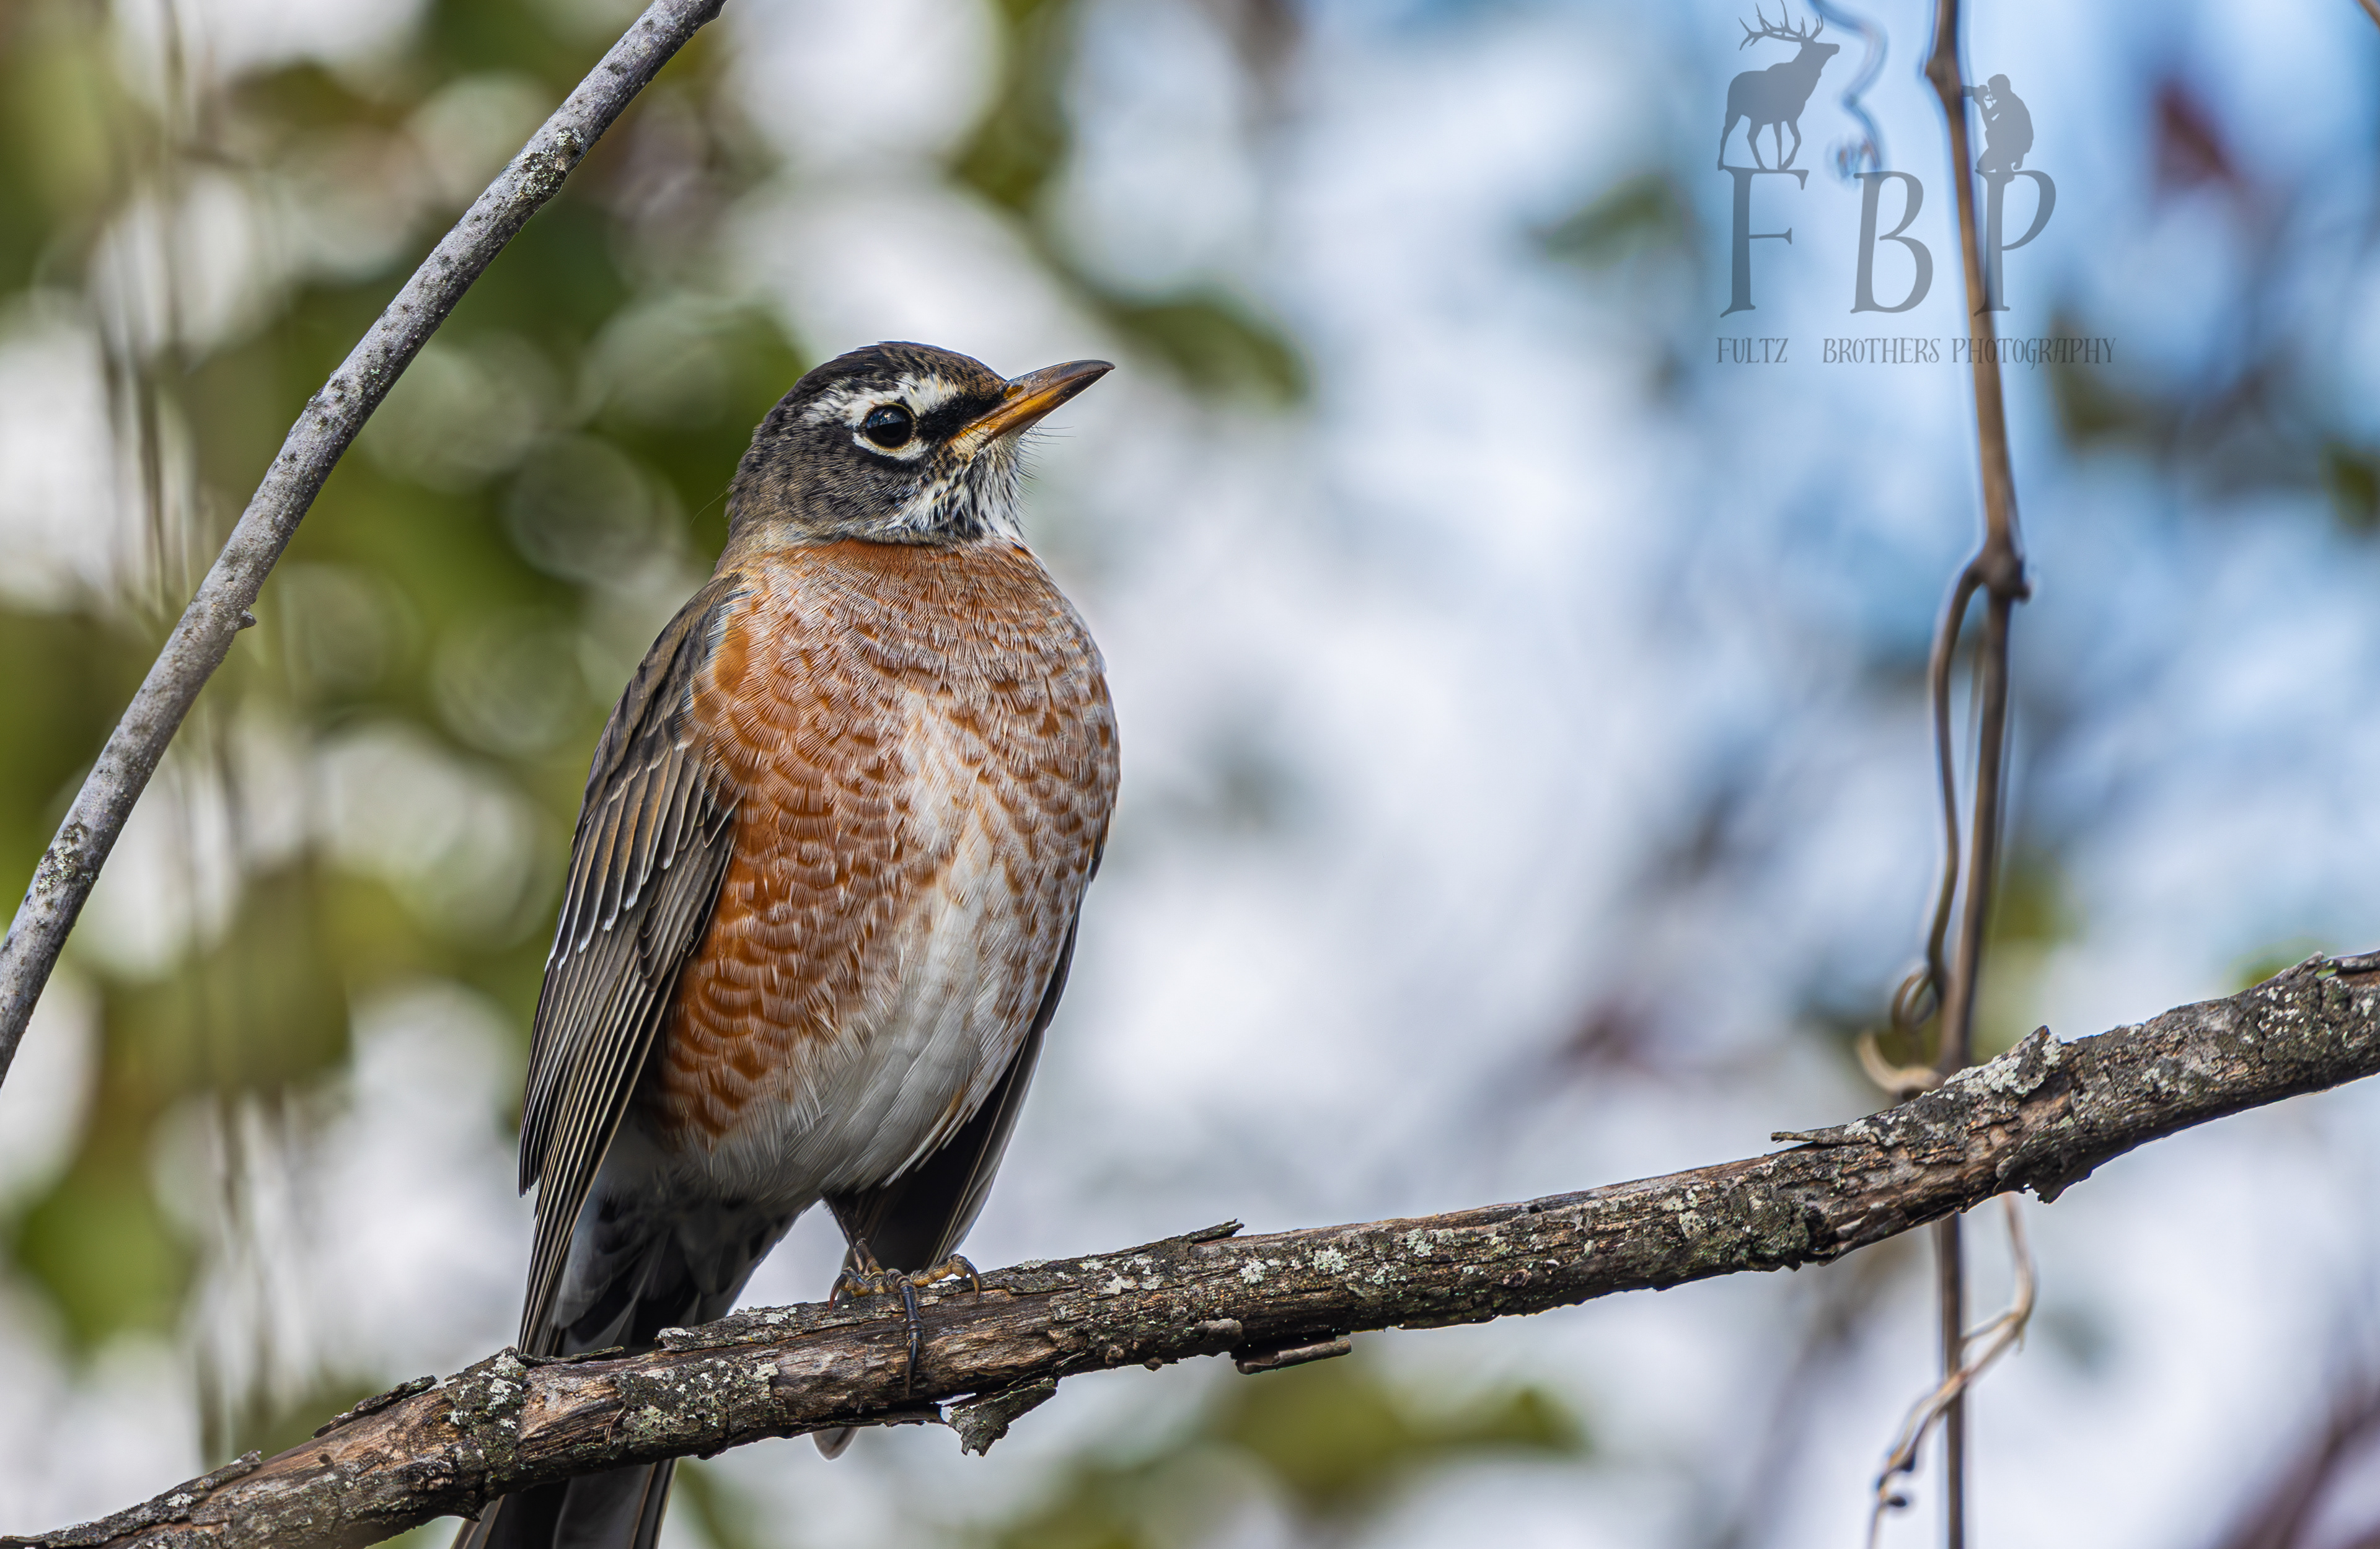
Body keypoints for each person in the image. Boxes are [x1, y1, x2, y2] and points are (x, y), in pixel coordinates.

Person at [1968, 74, 2034, 175]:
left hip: (2017, 144)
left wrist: (1981, 103)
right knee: (1982, 164)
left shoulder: (2012, 104)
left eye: (1992, 88)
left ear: (2000, 88)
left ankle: (2006, 166)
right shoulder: (2008, 99)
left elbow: (1990, 125)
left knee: (1990, 133)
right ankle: (2008, 160)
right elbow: (1989, 115)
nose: (1991, 92)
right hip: (2018, 142)